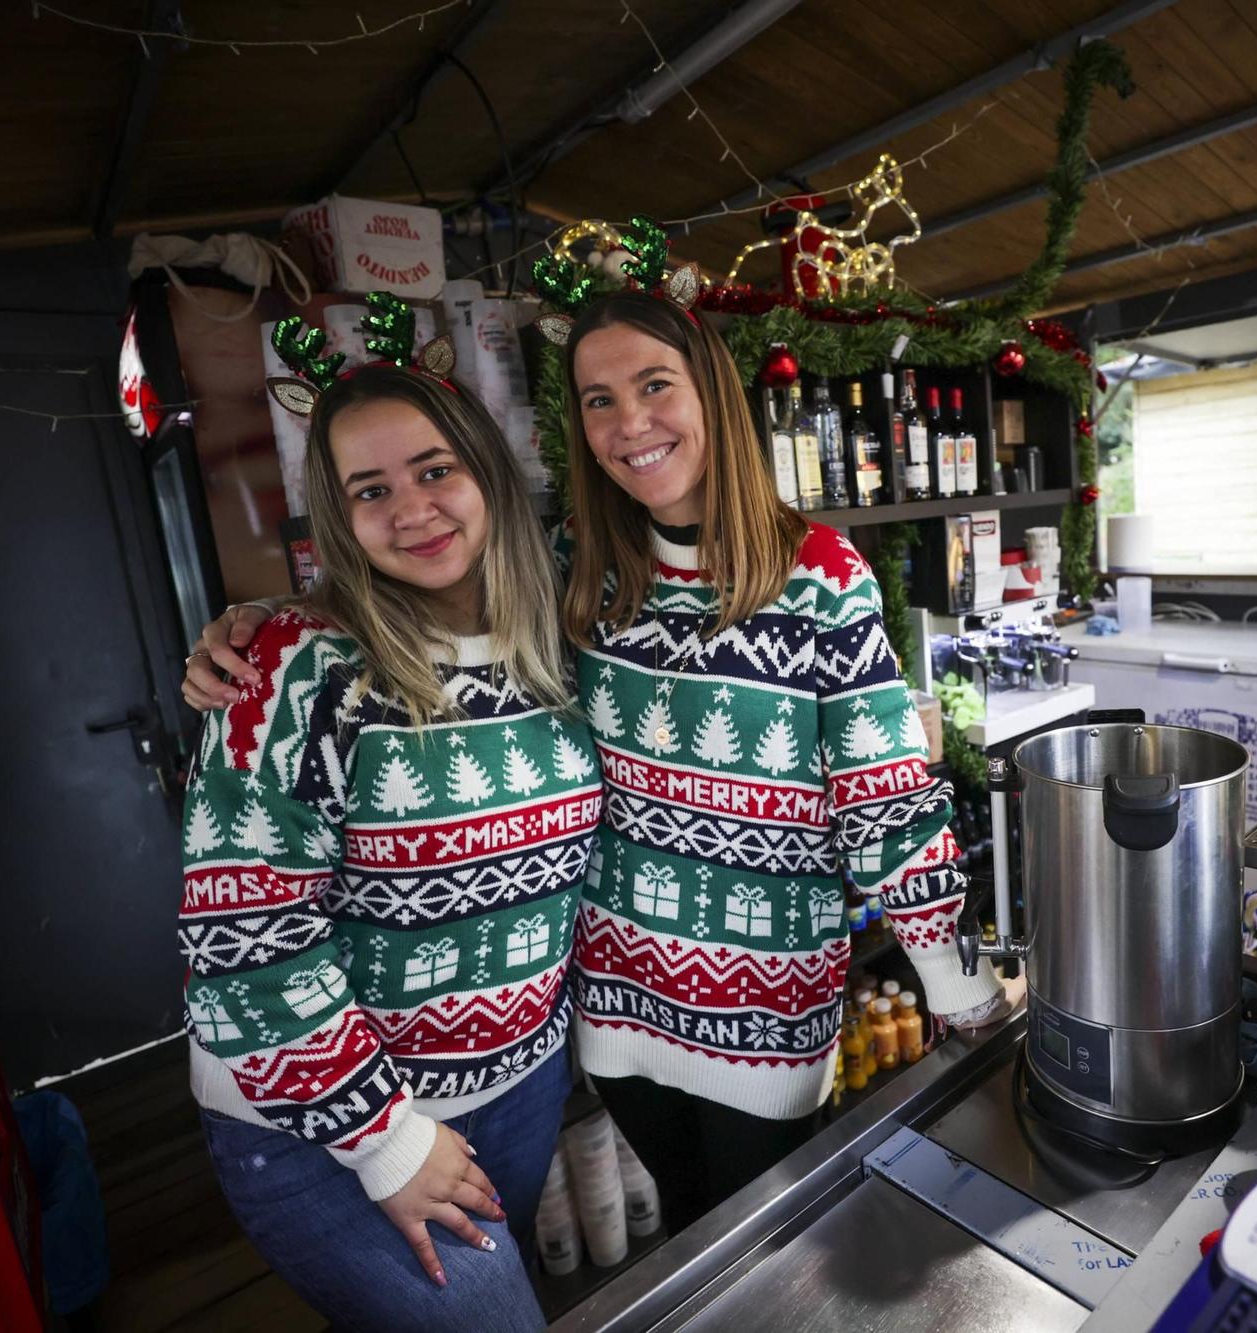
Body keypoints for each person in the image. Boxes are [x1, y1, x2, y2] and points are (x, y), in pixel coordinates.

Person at [186, 290, 1009, 1236]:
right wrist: (247, 630)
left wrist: (952, 983)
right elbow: (402, 592)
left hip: (766, 1020)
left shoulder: (821, 575)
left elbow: (888, 804)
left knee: (758, 1256)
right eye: (597, 400)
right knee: (688, 1255)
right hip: (611, 1020)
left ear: (714, 395)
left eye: (655, 385)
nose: (630, 423)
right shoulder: (578, 567)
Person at [178, 359, 599, 1332]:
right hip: (318, 1118)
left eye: (432, 469)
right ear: (339, 515)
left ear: (488, 473)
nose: (409, 507)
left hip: (517, 1086)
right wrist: (383, 1140)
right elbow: (245, 944)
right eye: (371, 489)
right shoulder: (299, 661)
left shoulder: (556, 641)